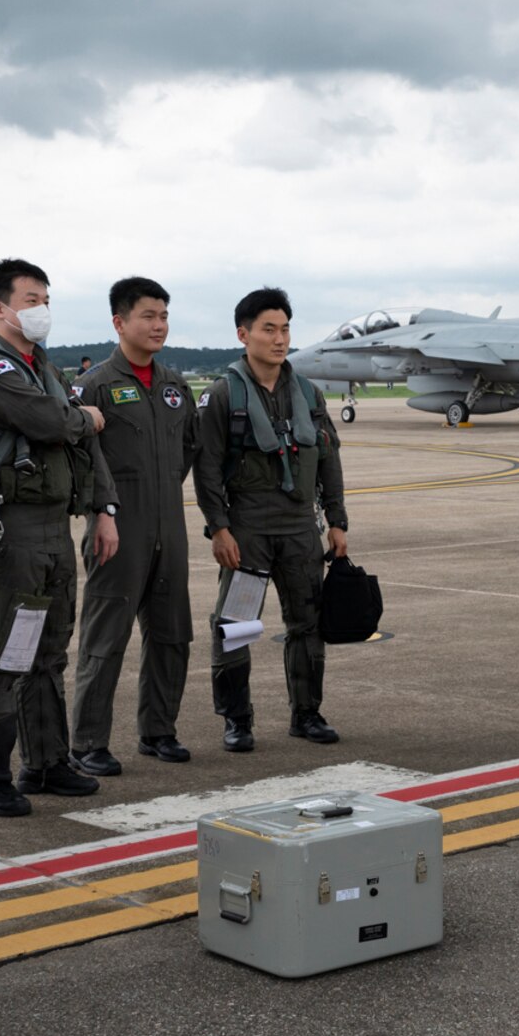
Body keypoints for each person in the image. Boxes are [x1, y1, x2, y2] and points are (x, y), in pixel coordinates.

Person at [0, 259, 114, 815]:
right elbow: (53, 423)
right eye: (29, 299)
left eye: (45, 298)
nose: (41, 309)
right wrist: (84, 416)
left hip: (52, 527)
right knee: (4, 652)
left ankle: (46, 762)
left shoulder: (40, 367)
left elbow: (68, 429)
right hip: (14, 528)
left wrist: (104, 507)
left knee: (48, 650)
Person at [195, 287, 348, 752]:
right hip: (248, 531)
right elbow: (206, 469)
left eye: (284, 329)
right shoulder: (224, 395)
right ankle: (237, 720)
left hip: (301, 528)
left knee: (308, 623)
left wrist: (337, 520)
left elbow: (328, 459)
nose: (279, 339)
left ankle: (307, 713)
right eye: (269, 329)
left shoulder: (307, 392)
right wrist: (219, 528)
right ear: (243, 334)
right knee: (238, 625)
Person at [69, 277, 201, 774]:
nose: (159, 325)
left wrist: (162, 487)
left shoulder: (174, 385)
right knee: (105, 638)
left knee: (172, 635)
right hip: (116, 528)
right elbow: (81, 456)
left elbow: (190, 446)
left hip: (170, 523)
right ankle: (87, 743)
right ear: (119, 322)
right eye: (148, 316)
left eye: (164, 315)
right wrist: (104, 508)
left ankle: (158, 731)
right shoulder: (93, 386)